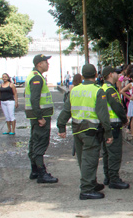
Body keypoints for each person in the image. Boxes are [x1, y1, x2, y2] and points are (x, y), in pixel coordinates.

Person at [57, 64, 113, 199]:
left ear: (82, 76)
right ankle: (87, 189)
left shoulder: (74, 90)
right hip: (91, 130)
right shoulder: (98, 91)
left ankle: (91, 182)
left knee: (83, 159)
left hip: (77, 129)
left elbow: (66, 111)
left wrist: (61, 126)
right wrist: (108, 133)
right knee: (90, 160)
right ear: (96, 75)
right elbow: (103, 115)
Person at [24, 54, 58, 183]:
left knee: (34, 141)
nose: (47, 64)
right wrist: (40, 117)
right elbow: (34, 99)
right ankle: (41, 173)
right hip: (40, 116)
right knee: (40, 142)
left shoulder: (34, 76)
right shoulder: (36, 78)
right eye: (45, 62)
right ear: (39, 64)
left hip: (37, 115)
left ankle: (35, 170)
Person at [100, 66, 130, 189]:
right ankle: (114, 179)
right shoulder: (110, 90)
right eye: (116, 73)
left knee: (107, 152)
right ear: (111, 74)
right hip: (113, 125)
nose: (118, 75)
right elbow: (117, 107)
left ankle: (108, 176)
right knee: (114, 153)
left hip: (106, 125)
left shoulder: (103, 88)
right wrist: (124, 119)